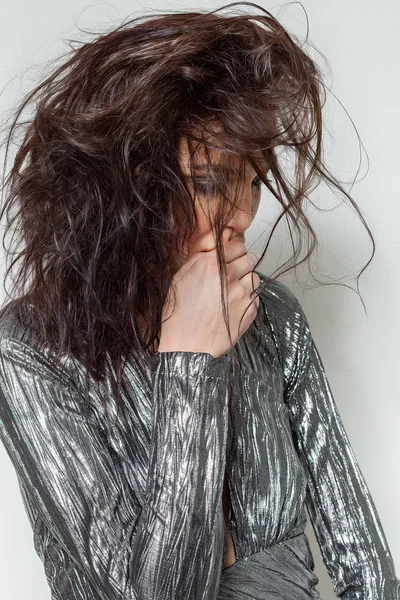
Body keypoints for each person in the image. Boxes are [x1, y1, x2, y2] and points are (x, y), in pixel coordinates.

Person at [0, 3, 398, 599]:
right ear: (123, 183)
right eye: (209, 182)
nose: (240, 216)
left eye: (255, 180)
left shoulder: (274, 316)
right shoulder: (32, 347)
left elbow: (360, 551)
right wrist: (191, 361)